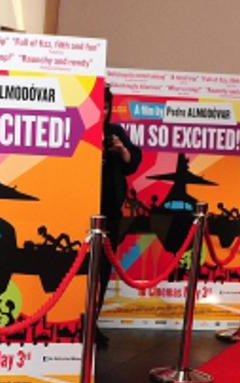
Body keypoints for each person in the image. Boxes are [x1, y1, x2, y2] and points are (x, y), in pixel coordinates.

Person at [93, 85, 141, 348]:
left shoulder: (115, 132)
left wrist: (121, 149)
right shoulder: (83, 132)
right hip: (84, 214)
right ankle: (76, 323)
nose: (103, 111)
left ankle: (94, 323)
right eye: (99, 105)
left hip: (111, 215)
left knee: (102, 273)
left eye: (107, 106)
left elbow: (133, 162)